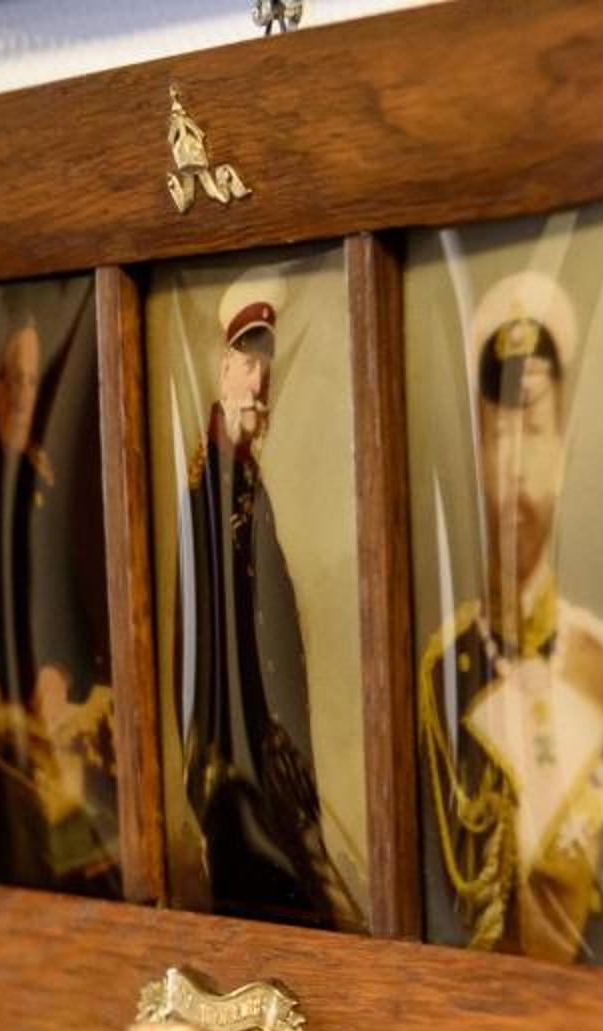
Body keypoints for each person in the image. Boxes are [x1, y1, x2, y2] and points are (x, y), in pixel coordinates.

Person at [418, 268, 603, 965]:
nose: (516, 464)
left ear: (563, 455)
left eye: (536, 432)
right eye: (498, 437)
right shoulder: (443, 675)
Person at [177, 270, 361, 931]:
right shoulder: (208, 483)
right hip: (233, 760)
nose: (259, 383)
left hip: (271, 746)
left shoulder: (252, 475)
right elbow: (206, 635)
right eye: (248, 365)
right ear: (225, 369)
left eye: (266, 368)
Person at [0, 301, 119, 896]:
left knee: (78, 830)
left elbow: (74, 603)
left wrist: (62, 673)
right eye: (9, 380)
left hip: (41, 720)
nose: (19, 395)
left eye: (30, 382)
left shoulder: (45, 483)